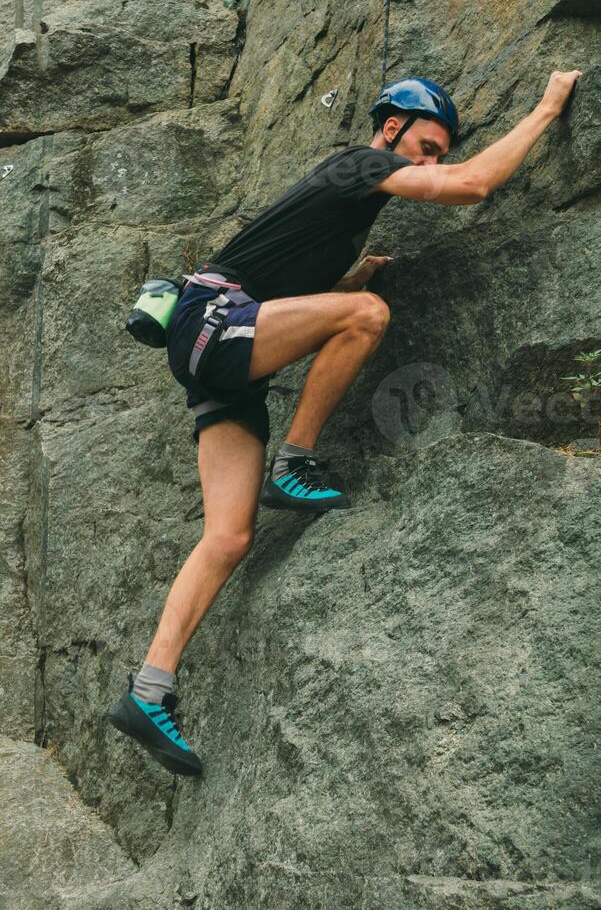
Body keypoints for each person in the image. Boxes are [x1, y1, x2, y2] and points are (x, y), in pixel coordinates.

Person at [108, 69, 582, 776]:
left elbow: (270, 277)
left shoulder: (340, 215)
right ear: (390, 128)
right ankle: (295, 460)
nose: (425, 161)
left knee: (228, 536)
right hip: (215, 321)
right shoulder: (359, 162)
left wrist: (336, 285)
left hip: (216, 350)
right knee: (367, 317)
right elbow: (470, 185)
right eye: (424, 145)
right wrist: (546, 108)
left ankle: (148, 691)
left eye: (431, 151)